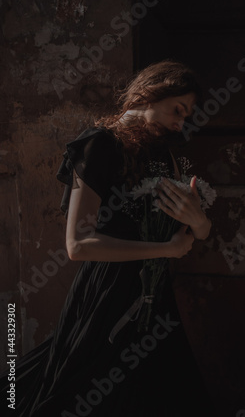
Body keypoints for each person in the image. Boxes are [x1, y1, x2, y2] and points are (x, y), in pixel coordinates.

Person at [0, 60, 216, 416]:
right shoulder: (98, 146)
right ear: (149, 93)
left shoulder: (163, 154)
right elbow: (78, 245)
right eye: (178, 110)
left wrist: (200, 221)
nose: (181, 123)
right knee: (85, 389)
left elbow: (193, 234)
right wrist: (165, 248)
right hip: (107, 294)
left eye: (186, 116)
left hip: (156, 296)